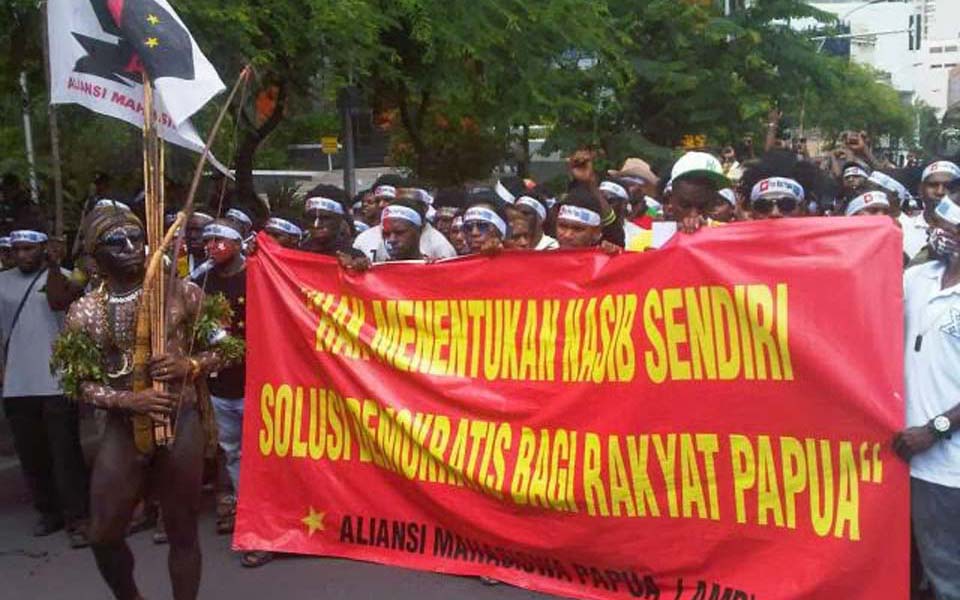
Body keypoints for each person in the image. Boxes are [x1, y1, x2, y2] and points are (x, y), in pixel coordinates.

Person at [54, 205, 237, 599]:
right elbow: (76, 382)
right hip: (124, 427)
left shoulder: (182, 291)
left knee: (182, 530)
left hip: (180, 418)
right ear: (94, 255)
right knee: (103, 535)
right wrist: (126, 400)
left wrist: (189, 363)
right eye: (117, 242)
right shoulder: (84, 312)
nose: (132, 247)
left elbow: (229, 348)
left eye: (137, 238)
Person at [1, 228, 89, 548]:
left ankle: (77, 515)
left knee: (65, 453)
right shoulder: (3, 282)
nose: (23, 255)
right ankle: (48, 511)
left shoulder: (66, 278)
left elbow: (58, 303)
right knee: (32, 454)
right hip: (17, 383)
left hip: (57, 380)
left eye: (29, 248)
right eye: (17, 249)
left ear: (43, 248)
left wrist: (54, 265)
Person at [895, 194, 960, 600]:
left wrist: (936, 429)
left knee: (949, 576)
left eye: (954, 228)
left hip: (948, 464)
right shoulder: (916, 279)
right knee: (930, 570)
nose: (944, 233)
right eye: (942, 223)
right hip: (914, 465)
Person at [354, 187, 456, 262]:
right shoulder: (377, 252)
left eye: (399, 233)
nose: (391, 240)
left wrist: (437, 272)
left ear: (419, 231)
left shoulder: (439, 250)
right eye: (386, 233)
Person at [600, 181, 643, 247]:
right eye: (600, 200)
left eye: (609, 200)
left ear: (624, 204)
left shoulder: (639, 235)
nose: (602, 205)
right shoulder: (586, 232)